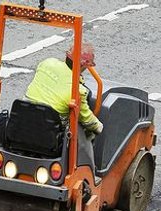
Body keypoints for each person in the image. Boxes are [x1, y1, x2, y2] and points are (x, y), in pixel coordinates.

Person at [23, 43, 102, 171]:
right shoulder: (78, 91)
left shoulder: (46, 63)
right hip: (49, 139)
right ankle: (88, 169)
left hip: (22, 125)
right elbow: (88, 120)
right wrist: (99, 127)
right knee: (86, 131)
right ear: (85, 65)